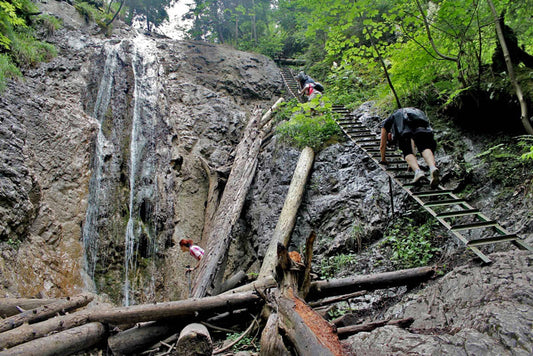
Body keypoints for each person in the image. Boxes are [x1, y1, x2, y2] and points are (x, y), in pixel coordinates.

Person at [379, 107, 440, 188]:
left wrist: (383, 159)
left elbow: (382, 145)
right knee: (424, 147)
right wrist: (411, 164)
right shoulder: (411, 111)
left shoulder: (388, 122)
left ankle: (418, 172)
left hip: (405, 132)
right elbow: (413, 141)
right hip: (422, 126)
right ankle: (432, 167)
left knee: (407, 151)